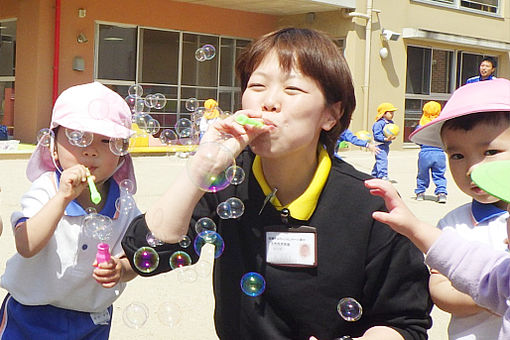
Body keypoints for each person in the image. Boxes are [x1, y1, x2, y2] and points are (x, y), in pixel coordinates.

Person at [122, 28, 432, 340]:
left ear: (331, 114)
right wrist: (199, 170)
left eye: (292, 89)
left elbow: (405, 322)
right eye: (257, 85)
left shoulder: (370, 204)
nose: (269, 101)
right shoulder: (225, 183)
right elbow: (148, 253)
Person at [366, 78, 510, 340]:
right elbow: (440, 289)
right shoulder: (453, 224)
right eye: (457, 156)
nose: (473, 168)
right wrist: (496, 292)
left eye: (490, 151)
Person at [0, 82, 141, 339]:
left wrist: (121, 269)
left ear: (122, 153)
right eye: (78, 137)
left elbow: (138, 255)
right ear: (53, 145)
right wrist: (63, 198)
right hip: (30, 314)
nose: (90, 150)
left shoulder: (125, 204)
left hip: (92, 320)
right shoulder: (47, 188)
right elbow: (26, 245)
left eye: (107, 140)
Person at [414, 101, 447, 203]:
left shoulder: (421, 125)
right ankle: (441, 193)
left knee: (422, 174)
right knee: (439, 174)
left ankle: (420, 192)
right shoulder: (441, 124)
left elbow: (416, 139)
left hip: (425, 153)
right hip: (439, 153)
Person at [371, 102, 397, 181]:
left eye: (393, 113)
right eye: (390, 113)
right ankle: (383, 176)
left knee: (380, 160)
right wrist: (385, 139)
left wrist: (391, 137)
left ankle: (374, 174)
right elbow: (377, 135)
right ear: (383, 113)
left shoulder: (391, 123)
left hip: (385, 145)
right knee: (383, 160)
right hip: (379, 145)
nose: (392, 115)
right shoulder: (379, 123)